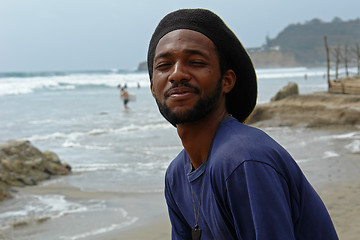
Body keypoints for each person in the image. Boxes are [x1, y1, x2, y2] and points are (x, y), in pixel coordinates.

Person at [147, 9, 338, 240]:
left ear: (226, 81)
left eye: (196, 62)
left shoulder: (243, 160)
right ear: (152, 88)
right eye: (164, 65)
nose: (176, 74)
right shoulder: (176, 175)